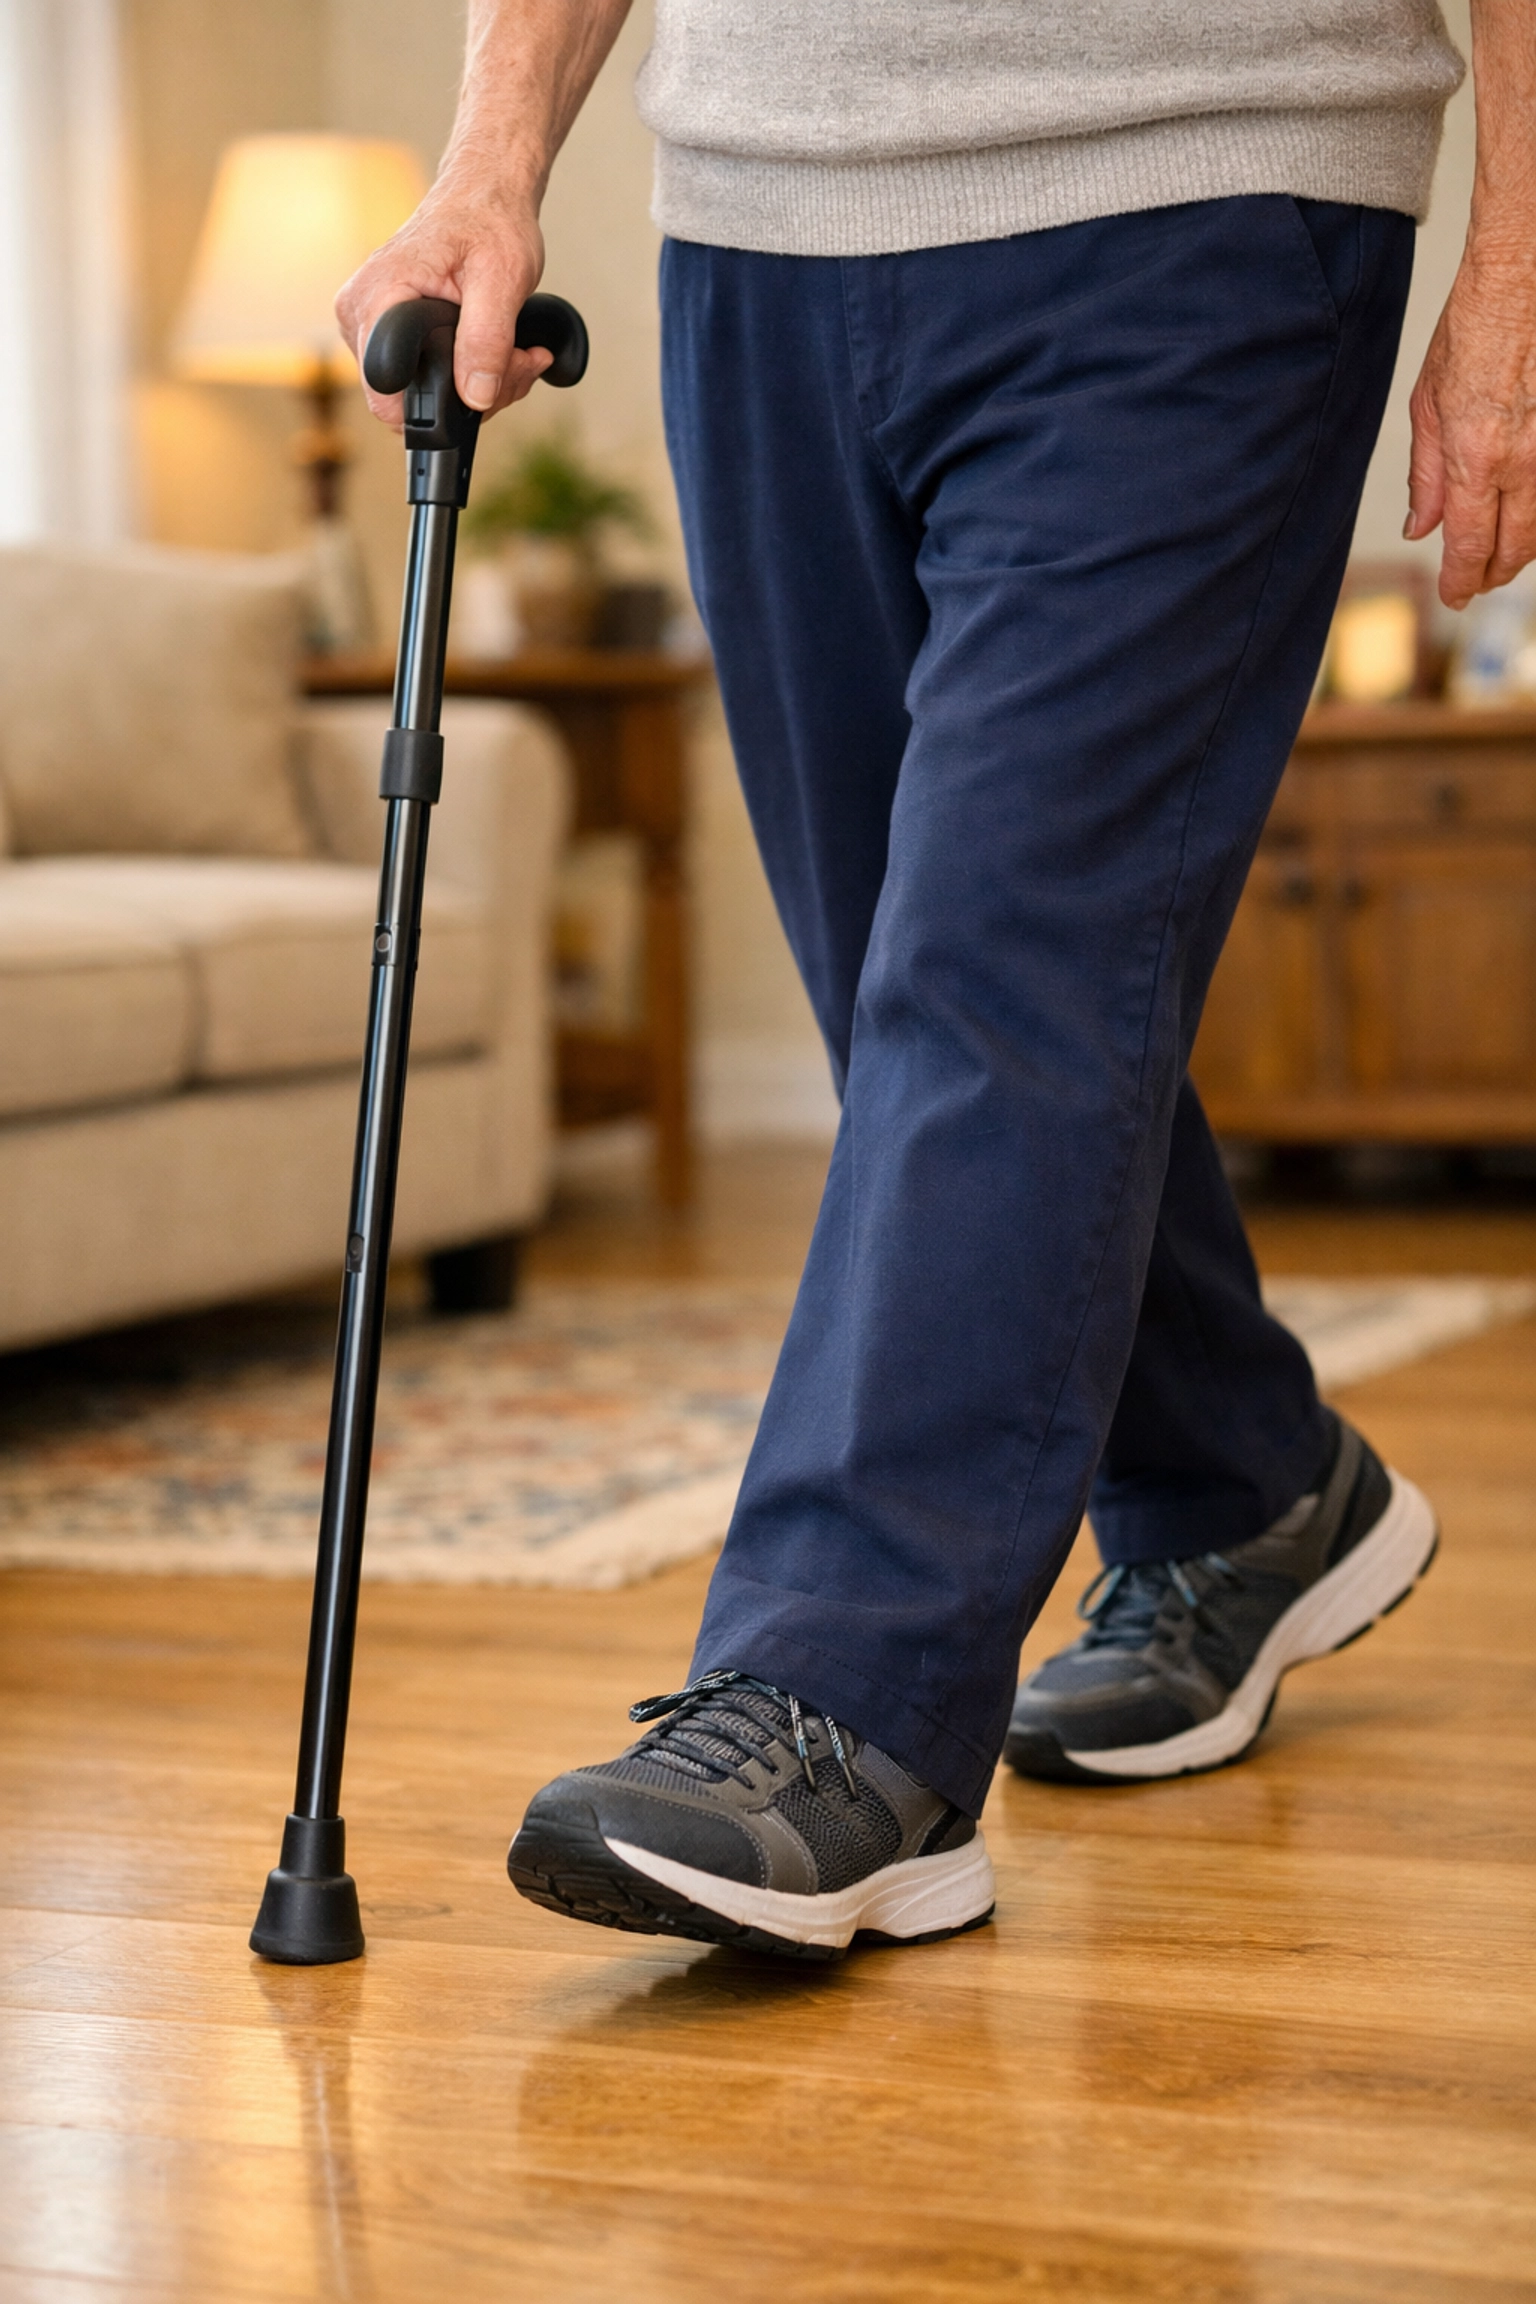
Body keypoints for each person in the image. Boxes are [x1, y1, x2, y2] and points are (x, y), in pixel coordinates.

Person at [341, 2, 1535, 1960]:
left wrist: (1515, 271)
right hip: (757, 229)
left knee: (1001, 974)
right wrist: (489, 165)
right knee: (914, 974)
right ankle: (1242, 1484)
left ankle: (849, 1704)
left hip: (1202, 182)